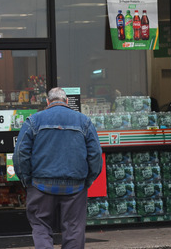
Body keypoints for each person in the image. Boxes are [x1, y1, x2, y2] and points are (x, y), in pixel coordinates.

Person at [13, 87, 103, 249]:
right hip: (75, 186)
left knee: (41, 226)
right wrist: (87, 180)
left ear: (48, 102)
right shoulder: (84, 121)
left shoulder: (33, 121)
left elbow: (20, 154)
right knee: (74, 229)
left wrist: (27, 180)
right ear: (67, 101)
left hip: (40, 185)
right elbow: (95, 154)